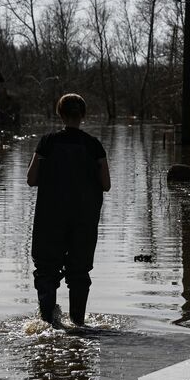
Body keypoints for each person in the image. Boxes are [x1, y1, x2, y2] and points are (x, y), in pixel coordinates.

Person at [25, 93, 111, 327]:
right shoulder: (94, 146)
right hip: (84, 219)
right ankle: (78, 324)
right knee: (79, 272)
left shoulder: (47, 143)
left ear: (60, 114)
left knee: (45, 271)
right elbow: (106, 185)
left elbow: (31, 179)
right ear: (83, 115)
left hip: (49, 218)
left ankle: (47, 324)